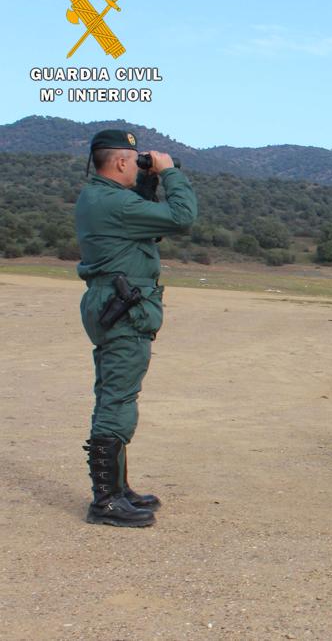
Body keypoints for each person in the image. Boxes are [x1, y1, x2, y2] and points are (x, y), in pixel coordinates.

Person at [74, 129, 197, 527]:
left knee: (115, 392)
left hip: (111, 303)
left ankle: (118, 488)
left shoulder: (102, 198)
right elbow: (181, 217)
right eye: (136, 162)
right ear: (122, 162)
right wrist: (169, 174)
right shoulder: (112, 202)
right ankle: (106, 501)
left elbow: (147, 224)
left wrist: (148, 180)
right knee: (118, 400)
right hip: (122, 309)